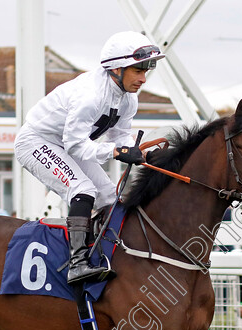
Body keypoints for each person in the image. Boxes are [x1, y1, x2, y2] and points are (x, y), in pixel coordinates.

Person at [14, 31, 164, 284]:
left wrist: (147, 153)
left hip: (68, 144)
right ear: (117, 69)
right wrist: (116, 152)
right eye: (138, 70)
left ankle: (108, 254)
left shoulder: (128, 99)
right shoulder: (90, 96)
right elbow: (77, 147)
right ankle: (77, 262)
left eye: (146, 71)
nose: (143, 79)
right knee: (83, 190)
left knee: (109, 196)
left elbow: (120, 137)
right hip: (37, 142)